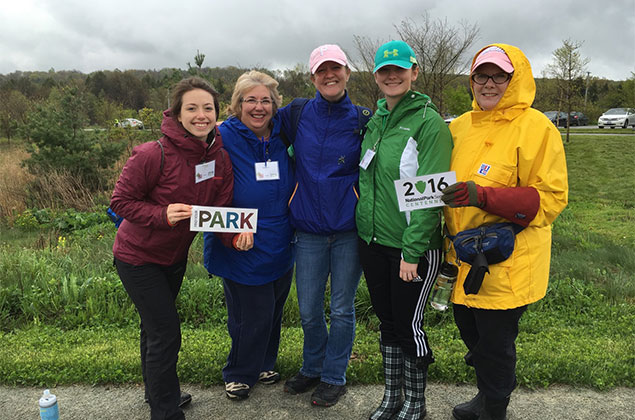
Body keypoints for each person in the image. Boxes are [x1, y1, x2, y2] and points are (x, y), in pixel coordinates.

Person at [441, 44, 568, 420]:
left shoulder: (537, 128)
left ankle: (495, 408)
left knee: (495, 343)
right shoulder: (460, 125)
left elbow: (550, 199)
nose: (489, 83)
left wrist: (485, 196)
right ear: (472, 80)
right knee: (470, 330)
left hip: (507, 260)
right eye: (482, 75)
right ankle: (485, 396)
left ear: (516, 78)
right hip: (463, 258)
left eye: (499, 75)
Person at [110, 76, 233, 420]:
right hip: (137, 258)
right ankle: (165, 410)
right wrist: (161, 214)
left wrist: (237, 235)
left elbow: (218, 215)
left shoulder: (219, 158)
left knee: (154, 329)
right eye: (191, 108)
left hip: (173, 259)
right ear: (177, 115)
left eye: (208, 108)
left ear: (216, 114)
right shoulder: (152, 153)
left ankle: (158, 393)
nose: (201, 115)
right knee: (166, 332)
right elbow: (120, 201)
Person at [356, 40, 452, 420]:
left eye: (400, 69)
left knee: (409, 325)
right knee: (388, 322)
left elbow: (432, 195)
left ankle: (416, 400)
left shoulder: (429, 124)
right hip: (373, 242)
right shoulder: (376, 121)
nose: (392, 76)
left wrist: (412, 252)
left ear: (414, 72)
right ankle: (391, 396)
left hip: (411, 249)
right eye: (385, 70)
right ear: (376, 77)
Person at [279, 44, 371, 407]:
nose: (329, 76)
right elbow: (255, 123)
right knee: (308, 309)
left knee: (343, 308)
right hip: (308, 230)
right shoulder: (297, 113)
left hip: (348, 231)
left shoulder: (364, 118)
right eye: (322, 70)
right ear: (313, 77)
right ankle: (312, 367)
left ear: (348, 73)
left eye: (336, 69)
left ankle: (334, 376)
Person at [203, 71, 295, 401]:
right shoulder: (221, 137)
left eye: (265, 100)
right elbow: (204, 193)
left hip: (280, 241)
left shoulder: (284, 136)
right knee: (249, 314)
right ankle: (239, 372)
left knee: (272, 309)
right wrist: (229, 228)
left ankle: (264, 362)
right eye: (250, 100)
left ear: (275, 105)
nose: (258, 107)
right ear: (237, 104)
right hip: (240, 244)